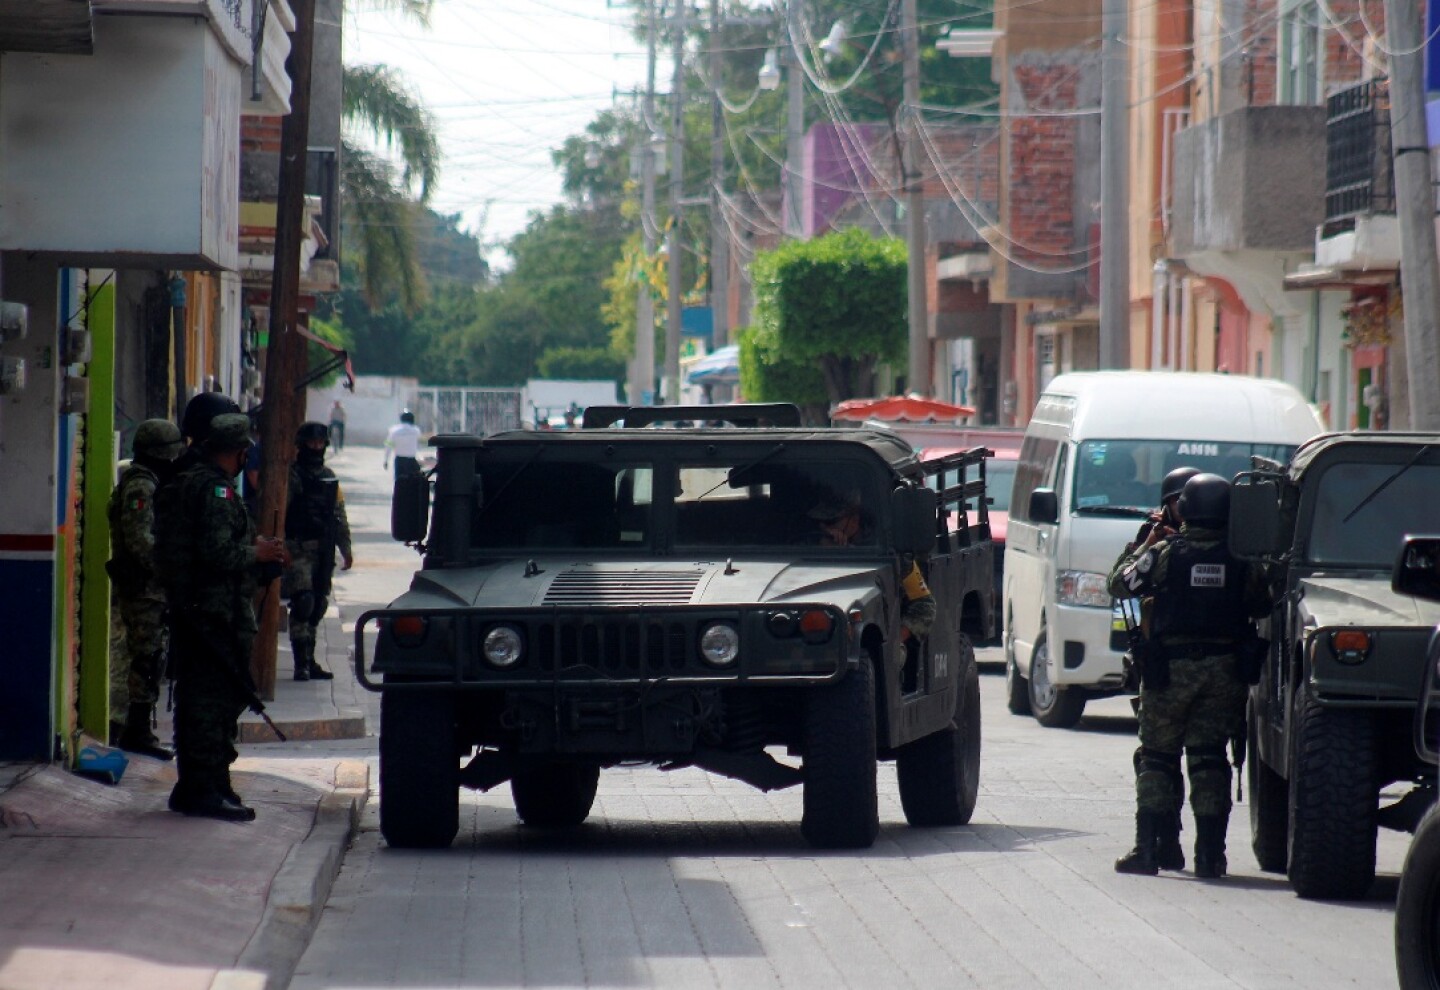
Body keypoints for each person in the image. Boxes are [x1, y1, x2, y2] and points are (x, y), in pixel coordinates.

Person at [1107, 473, 1270, 878]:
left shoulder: (1165, 553)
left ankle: (1147, 851)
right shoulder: (1241, 560)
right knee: (1209, 760)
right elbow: (1263, 605)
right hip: (1224, 673)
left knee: (1158, 759)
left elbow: (1119, 585)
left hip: (1169, 673)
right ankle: (1210, 855)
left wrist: (1143, 544)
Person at [153, 413, 289, 822]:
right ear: (240, 452)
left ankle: (209, 782)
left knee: (212, 701)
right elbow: (215, 554)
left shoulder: (197, 482)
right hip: (211, 615)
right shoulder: (213, 488)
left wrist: (255, 547)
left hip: (206, 614)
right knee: (207, 706)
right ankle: (201, 789)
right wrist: (258, 554)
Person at [106, 419, 186, 760]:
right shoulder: (142, 487)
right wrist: (168, 571)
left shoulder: (147, 482)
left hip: (148, 588)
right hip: (143, 589)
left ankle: (137, 727)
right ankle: (135, 729)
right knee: (146, 657)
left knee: (149, 656)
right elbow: (141, 542)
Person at [809, 492, 936, 643]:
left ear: (854, 520)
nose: (825, 528)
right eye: (820, 523)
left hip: (879, 638)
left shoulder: (887, 550)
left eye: (831, 522)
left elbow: (925, 606)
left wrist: (897, 640)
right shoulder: (812, 545)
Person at [285, 422, 354, 681]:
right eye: (311, 443)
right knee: (303, 603)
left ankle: (310, 661)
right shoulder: (290, 476)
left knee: (318, 605)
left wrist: (345, 548)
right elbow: (278, 513)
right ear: (301, 444)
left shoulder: (329, 476)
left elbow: (339, 514)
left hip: (322, 550)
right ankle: (300, 663)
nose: (315, 447)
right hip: (298, 548)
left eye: (319, 443)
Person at [384, 409, 422, 479]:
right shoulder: (416, 430)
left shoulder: (393, 431)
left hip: (399, 460)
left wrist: (386, 460)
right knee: (412, 482)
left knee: (398, 481)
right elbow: (418, 444)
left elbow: (388, 445)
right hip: (411, 460)